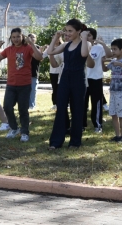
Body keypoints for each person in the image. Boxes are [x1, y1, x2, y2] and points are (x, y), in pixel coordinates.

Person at [45, 19, 92, 150]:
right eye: (66, 30)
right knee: (61, 108)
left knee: (77, 110)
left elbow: (83, 54)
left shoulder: (86, 43)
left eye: (70, 31)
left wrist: (83, 38)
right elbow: (50, 52)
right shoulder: (66, 45)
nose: (67, 33)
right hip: (65, 78)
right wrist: (56, 37)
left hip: (78, 79)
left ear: (79, 31)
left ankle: (75, 142)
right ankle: (55, 142)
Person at [0, 28, 43, 142]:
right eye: (13, 37)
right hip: (11, 84)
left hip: (24, 84)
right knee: (7, 106)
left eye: (18, 36)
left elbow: (39, 57)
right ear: (11, 38)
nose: (16, 39)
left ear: (22, 37)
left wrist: (31, 43)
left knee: (23, 109)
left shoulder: (28, 48)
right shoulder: (8, 49)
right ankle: (14, 128)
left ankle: (25, 132)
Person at [103, 39, 122, 143]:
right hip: (113, 91)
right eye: (112, 49)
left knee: (121, 115)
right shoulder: (113, 61)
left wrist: (119, 64)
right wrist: (102, 62)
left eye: (115, 49)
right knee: (113, 114)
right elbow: (105, 69)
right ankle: (117, 135)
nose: (113, 51)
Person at [83, 28, 112, 134]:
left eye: (89, 35)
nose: (87, 37)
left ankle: (97, 124)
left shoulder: (98, 47)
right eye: (85, 35)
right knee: (82, 103)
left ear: (94, 37)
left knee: (96, 103)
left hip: (95, 78)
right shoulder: (80, 47)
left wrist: (103, 43)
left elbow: (109, 55)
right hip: (83, 79)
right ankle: (82, 125)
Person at [44, 37, 63, 111]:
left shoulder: (63, 46)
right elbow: (42, 56)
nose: (55, 39)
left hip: (62, 71)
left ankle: (65, 103)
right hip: (53, 71)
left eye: (57, 38)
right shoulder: (49, 48)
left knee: (62, 88)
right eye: (53, 38)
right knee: (55, 88)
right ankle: (55, 104)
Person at [27, 34, 41, 110]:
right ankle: (26, 105)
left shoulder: (37, 47)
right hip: (25, 73)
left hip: (33, 72)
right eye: (30, 37)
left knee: (33, 90)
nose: (32, 38)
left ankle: (32, 105)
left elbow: (40, 58)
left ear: (36, 39)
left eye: (33, 37)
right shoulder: (25, 47)